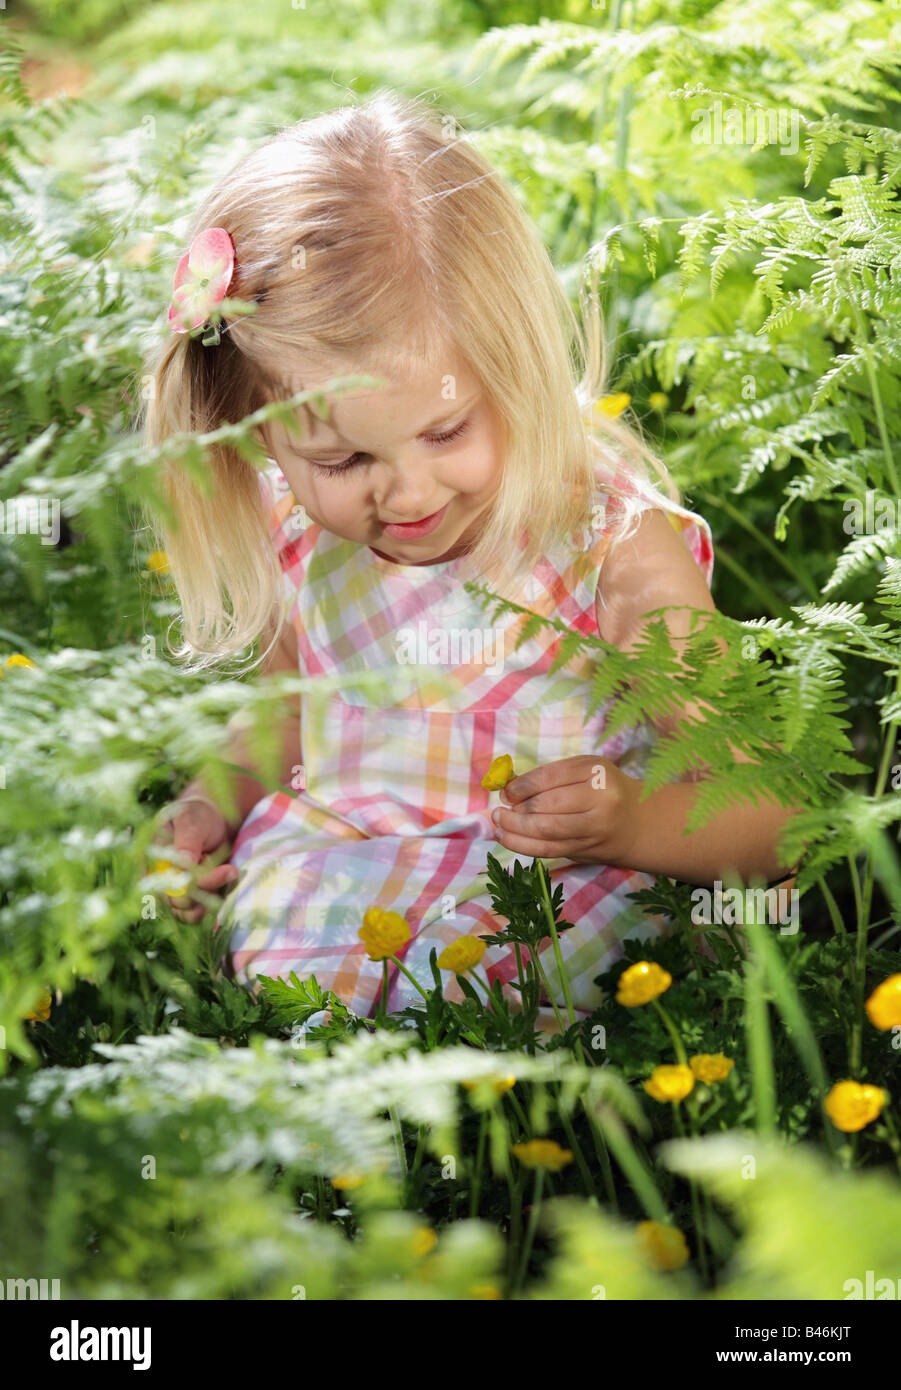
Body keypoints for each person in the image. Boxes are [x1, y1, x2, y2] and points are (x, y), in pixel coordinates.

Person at [141, 90, 799, 1026]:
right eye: (342, 460)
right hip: (357, 854)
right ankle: (367, 1104)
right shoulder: (298, 530)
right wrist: (213, 801)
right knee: (284, 961)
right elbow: (280, 722)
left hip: (566, 871)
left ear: (518, 365)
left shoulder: (607, 541)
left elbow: (772, 812)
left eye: (444, 430)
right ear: (253, 432)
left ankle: (473, 1106)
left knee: (543, 972)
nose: (406, 496)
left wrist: (634, 818)